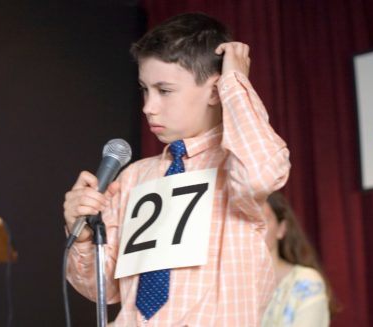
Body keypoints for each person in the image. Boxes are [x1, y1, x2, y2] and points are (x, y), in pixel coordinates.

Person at [64, 12, 291, 326]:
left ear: (214, 91)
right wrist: (84, 236)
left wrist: (235, 82)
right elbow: (102, 289)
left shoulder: (235, 166)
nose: (148, 106)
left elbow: (262, 173)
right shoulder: (133, 178)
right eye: (145, 89)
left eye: (164, 91)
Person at [262, 191, 339, 326]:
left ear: (281, 228)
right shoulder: (229, 284)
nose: (253, 229)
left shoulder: (306, 282)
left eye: (262, 220)